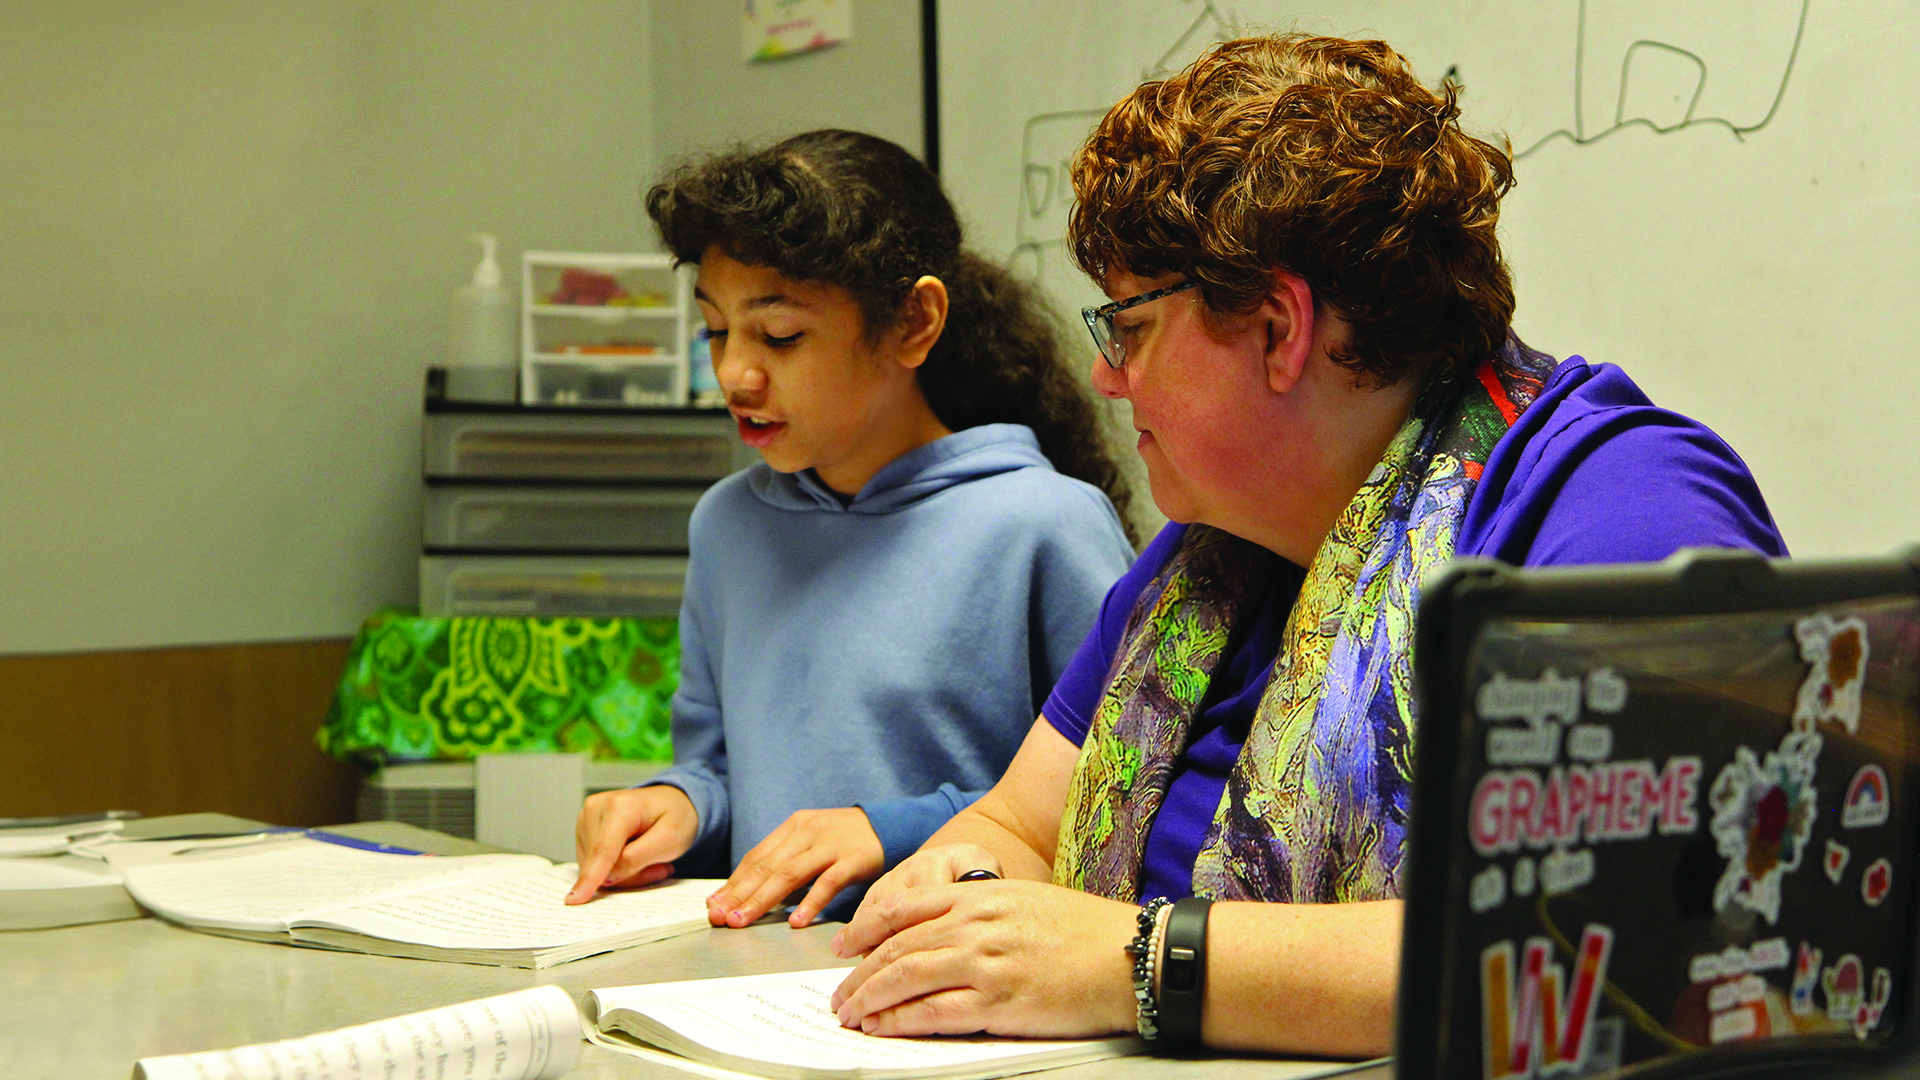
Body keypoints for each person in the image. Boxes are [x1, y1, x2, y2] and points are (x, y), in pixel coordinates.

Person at [825, 34, 1786, 1057]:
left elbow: (1633, 942)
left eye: (1132, 329)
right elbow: (1017, 827)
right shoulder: (1210, 555)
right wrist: (968, 894)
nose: (1107, 377)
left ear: (1281, 327)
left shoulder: (1622, 505)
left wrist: (1136, 962)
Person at [565, 130, 1139, 930]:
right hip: (758, 973)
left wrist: (891, 829)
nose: (734, 374)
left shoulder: (1042, 524)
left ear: (913, 322)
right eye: (716, 330)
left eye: (780, 335)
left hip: (965, 969)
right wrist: (677, 804)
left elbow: (1124, 793)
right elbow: (722, 773)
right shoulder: (728, 525)